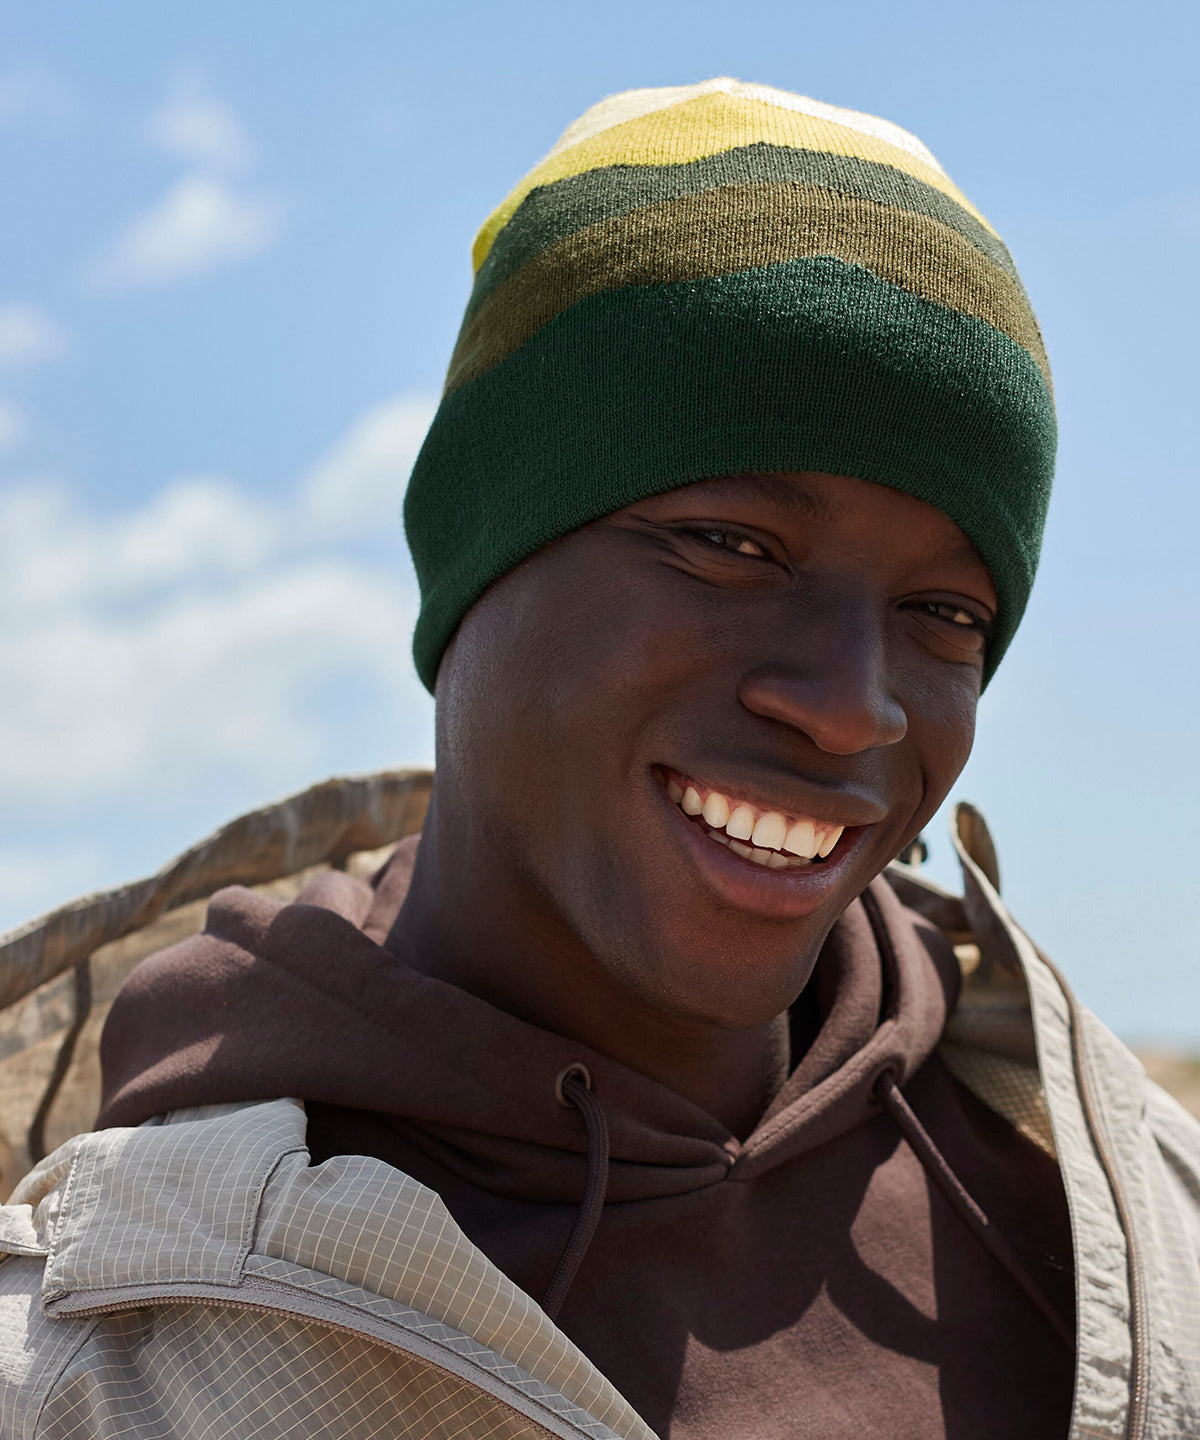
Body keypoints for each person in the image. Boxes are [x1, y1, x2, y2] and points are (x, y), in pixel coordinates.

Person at [2, 77, 1198, 1440]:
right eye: (734, 545)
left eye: (948, 613)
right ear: (480, 573)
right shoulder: (104, 1361)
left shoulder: (1128, 1222)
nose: (852, 707)